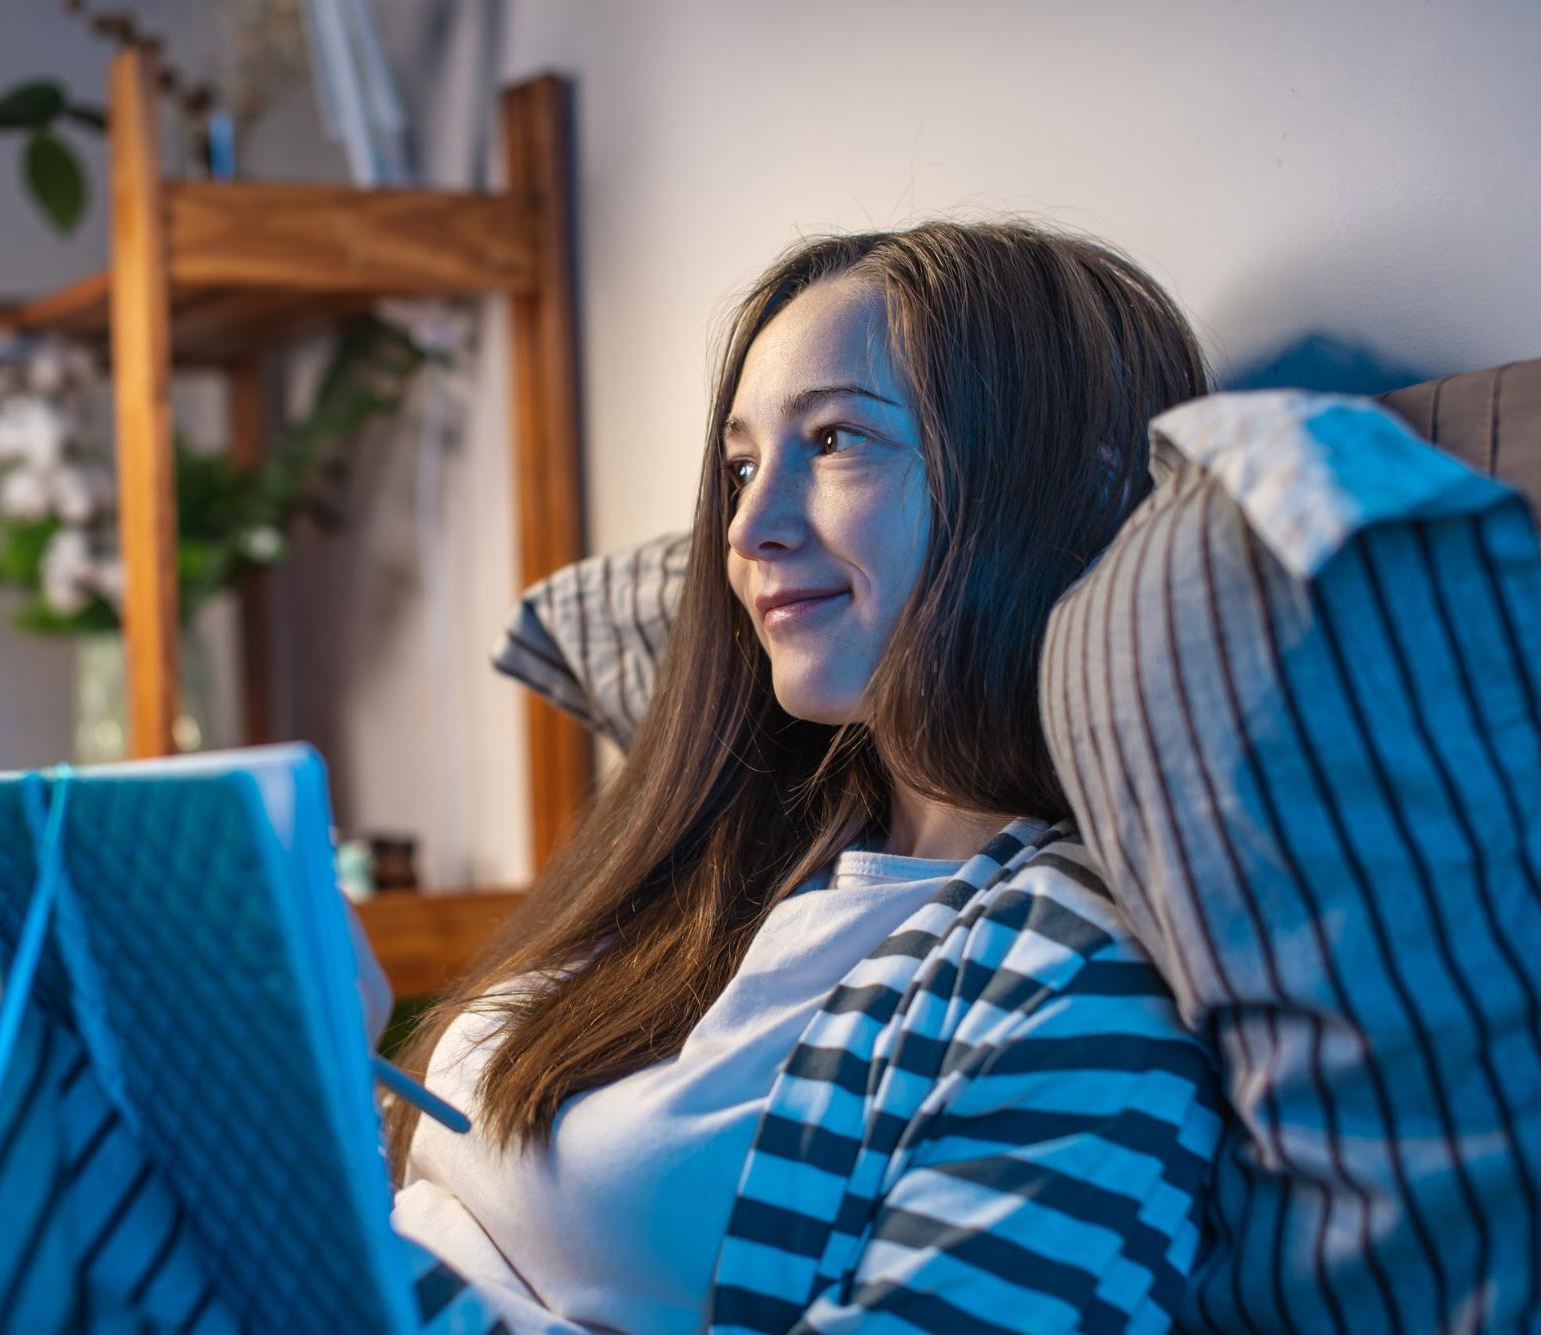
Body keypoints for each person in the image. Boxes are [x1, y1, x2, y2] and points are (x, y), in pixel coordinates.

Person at [387, 220, 1225, 1332]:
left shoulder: (1070, 982)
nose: (748, 526)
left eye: (834, 441)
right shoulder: (735, 851)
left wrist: (343, 1253)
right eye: (741, 465)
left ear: (1069, 483)